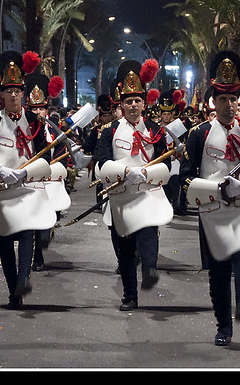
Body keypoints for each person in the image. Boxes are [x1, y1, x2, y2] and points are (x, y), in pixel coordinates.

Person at [179, 49, 240, 346]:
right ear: (213, 102)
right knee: (218, 272)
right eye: (223, 100)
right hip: (212, 212)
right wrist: (211, 190)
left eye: (234, 99)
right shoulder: (198, 134)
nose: (229, 106)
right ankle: (223, 325)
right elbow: (184, 176)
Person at [0, 50, 56, 309]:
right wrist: (1, 171)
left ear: (23, 92)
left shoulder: (34, 121)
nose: (13, 95)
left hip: (28, 189)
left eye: (17, 90)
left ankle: (23, 280)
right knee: (5, 244)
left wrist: (25, 172)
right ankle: (14, 290)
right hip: (2, 193)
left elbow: (46, 157)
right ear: (1, 93)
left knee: (26, 234)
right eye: (8, 90)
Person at [94, 58, 173, 312]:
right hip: (121, 198)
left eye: (137, 101)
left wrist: (147, 175)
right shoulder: (110, 131)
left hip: (148, 197)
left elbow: (167, 166)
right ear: (121, 103)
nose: (133, 106)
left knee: (149, 244)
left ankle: (149, 269)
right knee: (125, 252)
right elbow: (102, 164)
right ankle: (130, 295)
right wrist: (127, 171)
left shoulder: (156, 130)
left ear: (144, 103)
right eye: (128, 101)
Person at [24, 72, 66, 272]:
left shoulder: (55, 127)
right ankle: (36, 258)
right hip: (31, 182)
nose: (38, 112)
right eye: (34, 108)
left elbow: (63, 153)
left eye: (41, 108)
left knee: (46, 227)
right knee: (33, 225)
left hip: (51, 182)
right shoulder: (24, 127)